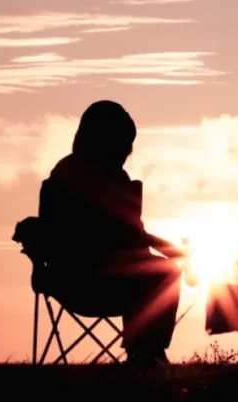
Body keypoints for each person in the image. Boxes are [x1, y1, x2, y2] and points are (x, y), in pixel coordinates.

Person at [36, 100, 184, 367]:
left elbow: (133, 235)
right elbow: (127, 235)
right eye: (124, 142)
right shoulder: (84, 178)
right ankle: (146, 353)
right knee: (165, 273)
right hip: (89, 280)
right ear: (106, 140)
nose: (127, 151)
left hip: (68, 278)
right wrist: (176, 254)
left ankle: (146, 351)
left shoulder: (68, 172)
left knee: (159, 272)